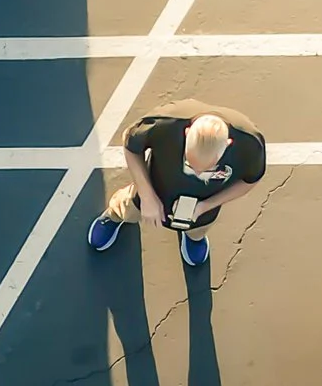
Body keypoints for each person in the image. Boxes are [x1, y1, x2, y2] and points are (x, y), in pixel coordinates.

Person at [86, 99, 268, 271]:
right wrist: (147, 195)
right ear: (187, 132)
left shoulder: (250, 144)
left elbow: (250, 180)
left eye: (207, 168)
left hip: (204, 202)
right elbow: (130, 144)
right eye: (190, 163)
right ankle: (114, 217)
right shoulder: (164, 123)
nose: (196, 174)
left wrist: (206, 206)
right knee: (129, 208)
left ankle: (194, 237)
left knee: (198, 228)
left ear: (228, 145)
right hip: (155, 186)